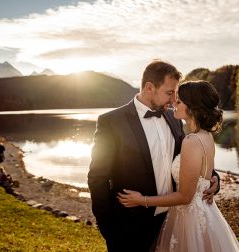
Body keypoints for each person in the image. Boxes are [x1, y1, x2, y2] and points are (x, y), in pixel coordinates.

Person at [88, 61, 220, 251]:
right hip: (130, 227)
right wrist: (109, 228)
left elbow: (189, 157)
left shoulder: (174, 120)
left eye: (176, 94)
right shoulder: (111, 122)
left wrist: (213, 177)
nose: (174, 99)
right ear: (150, 87)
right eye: (169, 93)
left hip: (173, 221)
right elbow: (97, 178)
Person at [118, 81, 239, 252]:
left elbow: (185, 197)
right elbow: (203, 173)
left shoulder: (191, 141)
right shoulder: (206, 136)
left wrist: (142, 200)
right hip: (205, 213)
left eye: (179, 101)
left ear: (192, 107)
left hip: (189, 220)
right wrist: (213, 180)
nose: (173, 104)